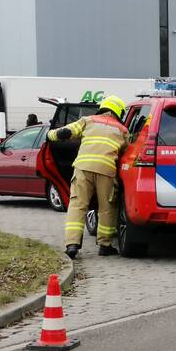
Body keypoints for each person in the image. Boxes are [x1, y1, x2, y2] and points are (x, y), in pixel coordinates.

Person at [48, 95, 129, 259]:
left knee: (78, 205)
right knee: (107, 208)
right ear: (118, 112)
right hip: (106, 171)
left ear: (103, 108)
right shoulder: (122, 130)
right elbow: (126, 152)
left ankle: (72, 245)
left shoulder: (88, 120)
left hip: (83, 169)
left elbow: (65, 133)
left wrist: (50, 135)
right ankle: (105, 245)